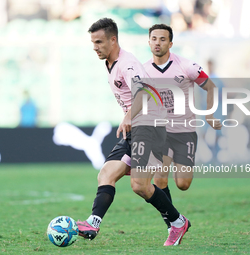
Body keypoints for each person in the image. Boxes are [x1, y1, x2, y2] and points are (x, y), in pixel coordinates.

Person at [77, 18, 190, 246]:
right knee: (106, 174)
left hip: (152, 127)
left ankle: (178, 223)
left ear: (113, 39)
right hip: (137, 128)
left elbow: (143, 93)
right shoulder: (110, 61)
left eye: (99, 42)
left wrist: (128, 116)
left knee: (140, 185)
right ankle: (93, 222)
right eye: (93, 42)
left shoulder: (127, 64)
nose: (95, 47)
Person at [143, 24, 222, 228]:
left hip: (184, 132)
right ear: (149, 41)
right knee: (160, 180)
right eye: (154, 38)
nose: (157, 43)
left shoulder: (187, 66)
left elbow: (211, 87)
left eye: (162, 39)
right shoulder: (142, 70)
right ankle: (174, 226)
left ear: (170, 43)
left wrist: (210, 116)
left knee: (183, 184)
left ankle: (175, 224)